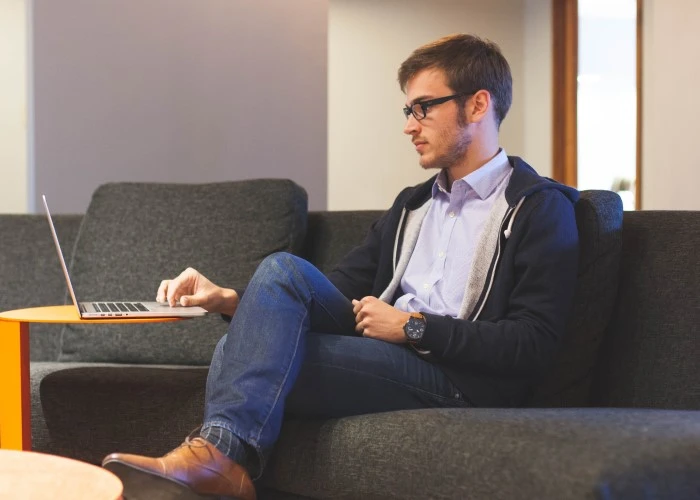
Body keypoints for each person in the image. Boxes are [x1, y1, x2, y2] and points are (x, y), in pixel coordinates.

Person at [102, 33, 579, 500]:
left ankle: (219, 462)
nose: (409, 126)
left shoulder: (537, 208)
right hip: (390, 355)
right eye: (407, 111)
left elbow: (533, 342)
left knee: (241, 354)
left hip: (461, 380)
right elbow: (329, 290)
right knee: (282, 274)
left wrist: (413, 328)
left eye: (423, 107)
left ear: (477, 106)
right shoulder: (413, 206)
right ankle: (220, 463)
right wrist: (229, 299)